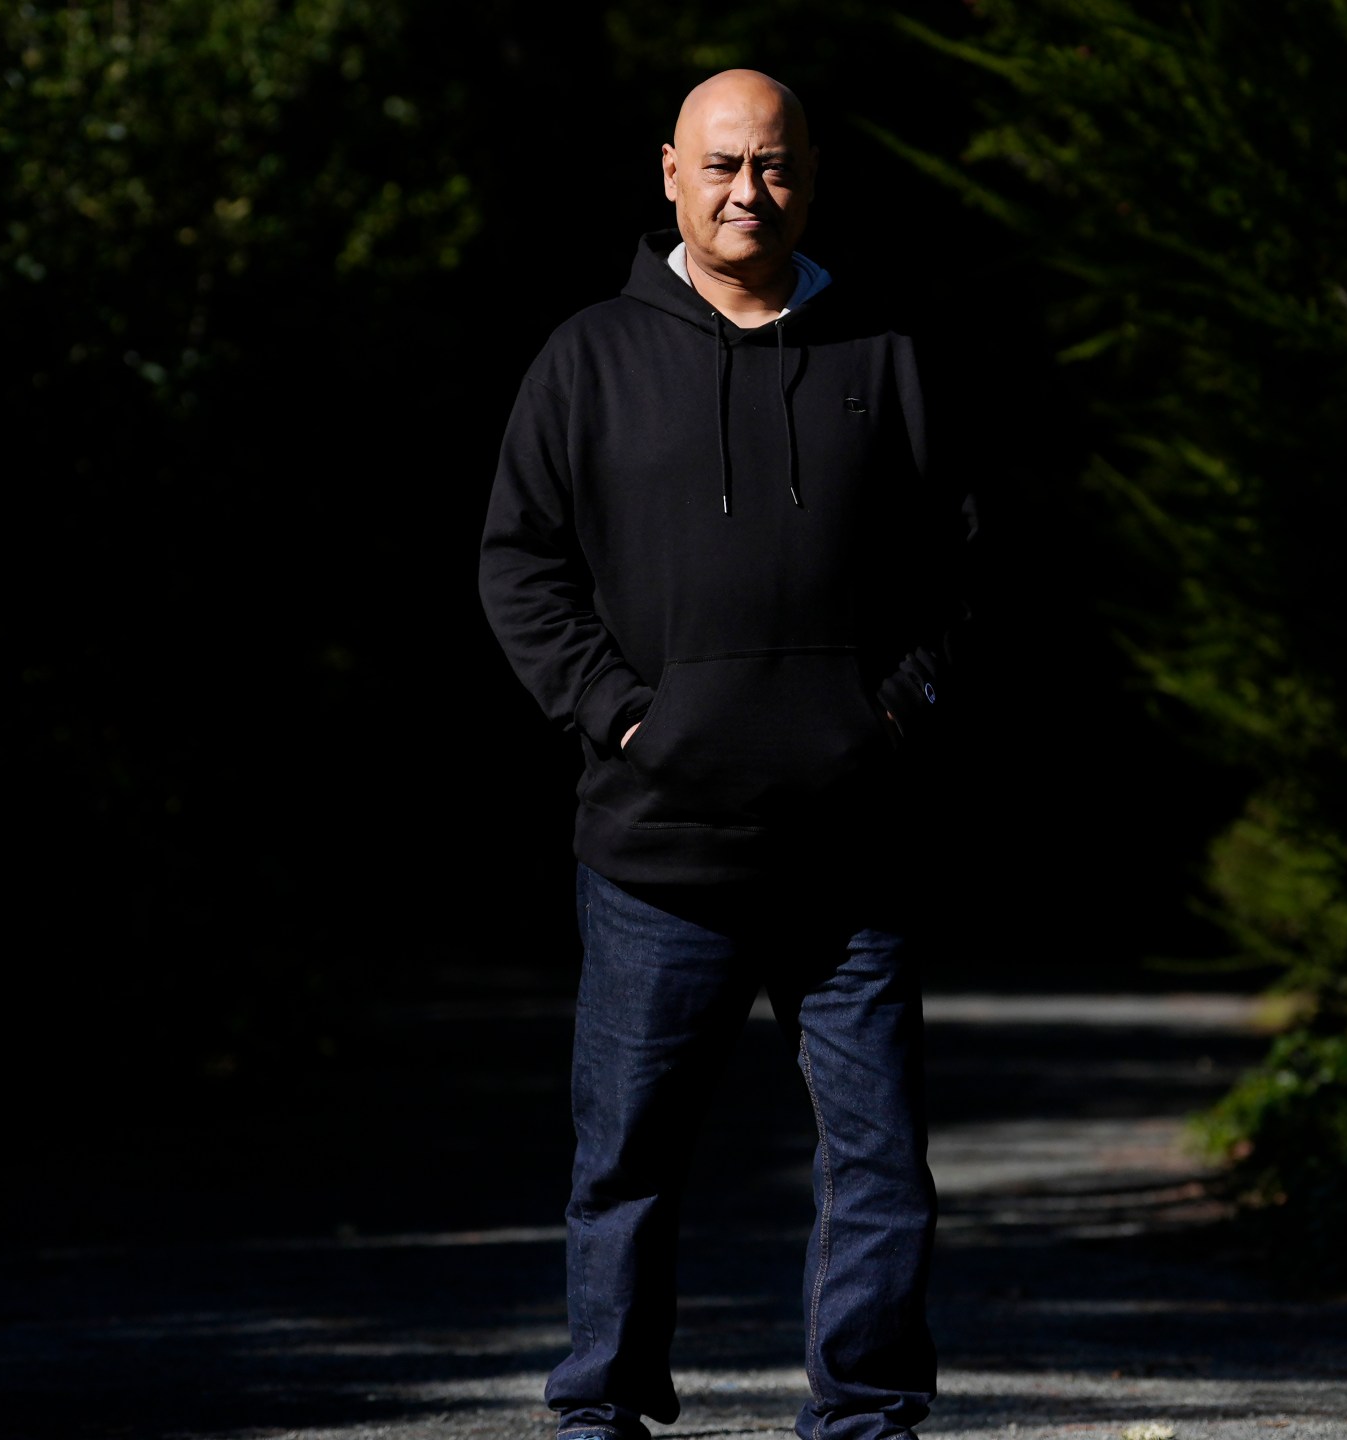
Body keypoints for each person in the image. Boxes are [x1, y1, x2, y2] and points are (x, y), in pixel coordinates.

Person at [476, 68, 977, 1440]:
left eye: (774, 167)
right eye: (721, 166)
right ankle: (604, 1420)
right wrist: (623, 716)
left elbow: (957, 568)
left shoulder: (884, 351)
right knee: (626, 1164)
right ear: (668, 173)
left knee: (879, 1165)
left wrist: (895, 709)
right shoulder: (587, 358)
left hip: (848, 848)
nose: (747, 192)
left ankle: (865, 1417)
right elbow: (519, 565)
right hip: (656, 849)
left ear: (809, 176)